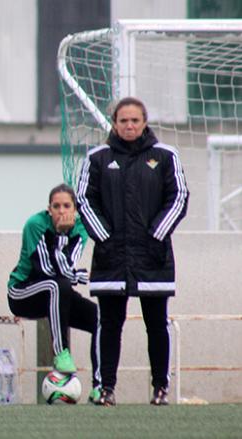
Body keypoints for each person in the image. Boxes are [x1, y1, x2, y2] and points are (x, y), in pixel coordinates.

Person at [77, 97, 189, 406]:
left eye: (135, 120)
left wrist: (156, 236)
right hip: (111, 258)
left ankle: (160, 388)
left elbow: (178, 197)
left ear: (144, 123)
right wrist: (106, 238)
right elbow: (85, 200)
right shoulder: (97, 158)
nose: (129, 125)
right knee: (110, 324)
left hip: (154, 258)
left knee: (157, 324)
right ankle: (105, 388)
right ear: (114, 123)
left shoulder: (165, 156)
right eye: (123, 120)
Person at [7, 183, 101, 401]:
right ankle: (60, 352)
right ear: (48, 209)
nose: (61, 211)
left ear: (75, 209)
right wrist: (59, 235)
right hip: (23, 292)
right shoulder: (35, 225)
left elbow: (66, 268)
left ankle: (100, 386)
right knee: (56, 285)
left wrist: (74, 272)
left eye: (66, 206)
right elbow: (46, 270)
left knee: (100, 318)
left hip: (58, 293)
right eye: (56, 206)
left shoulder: (81, 228)